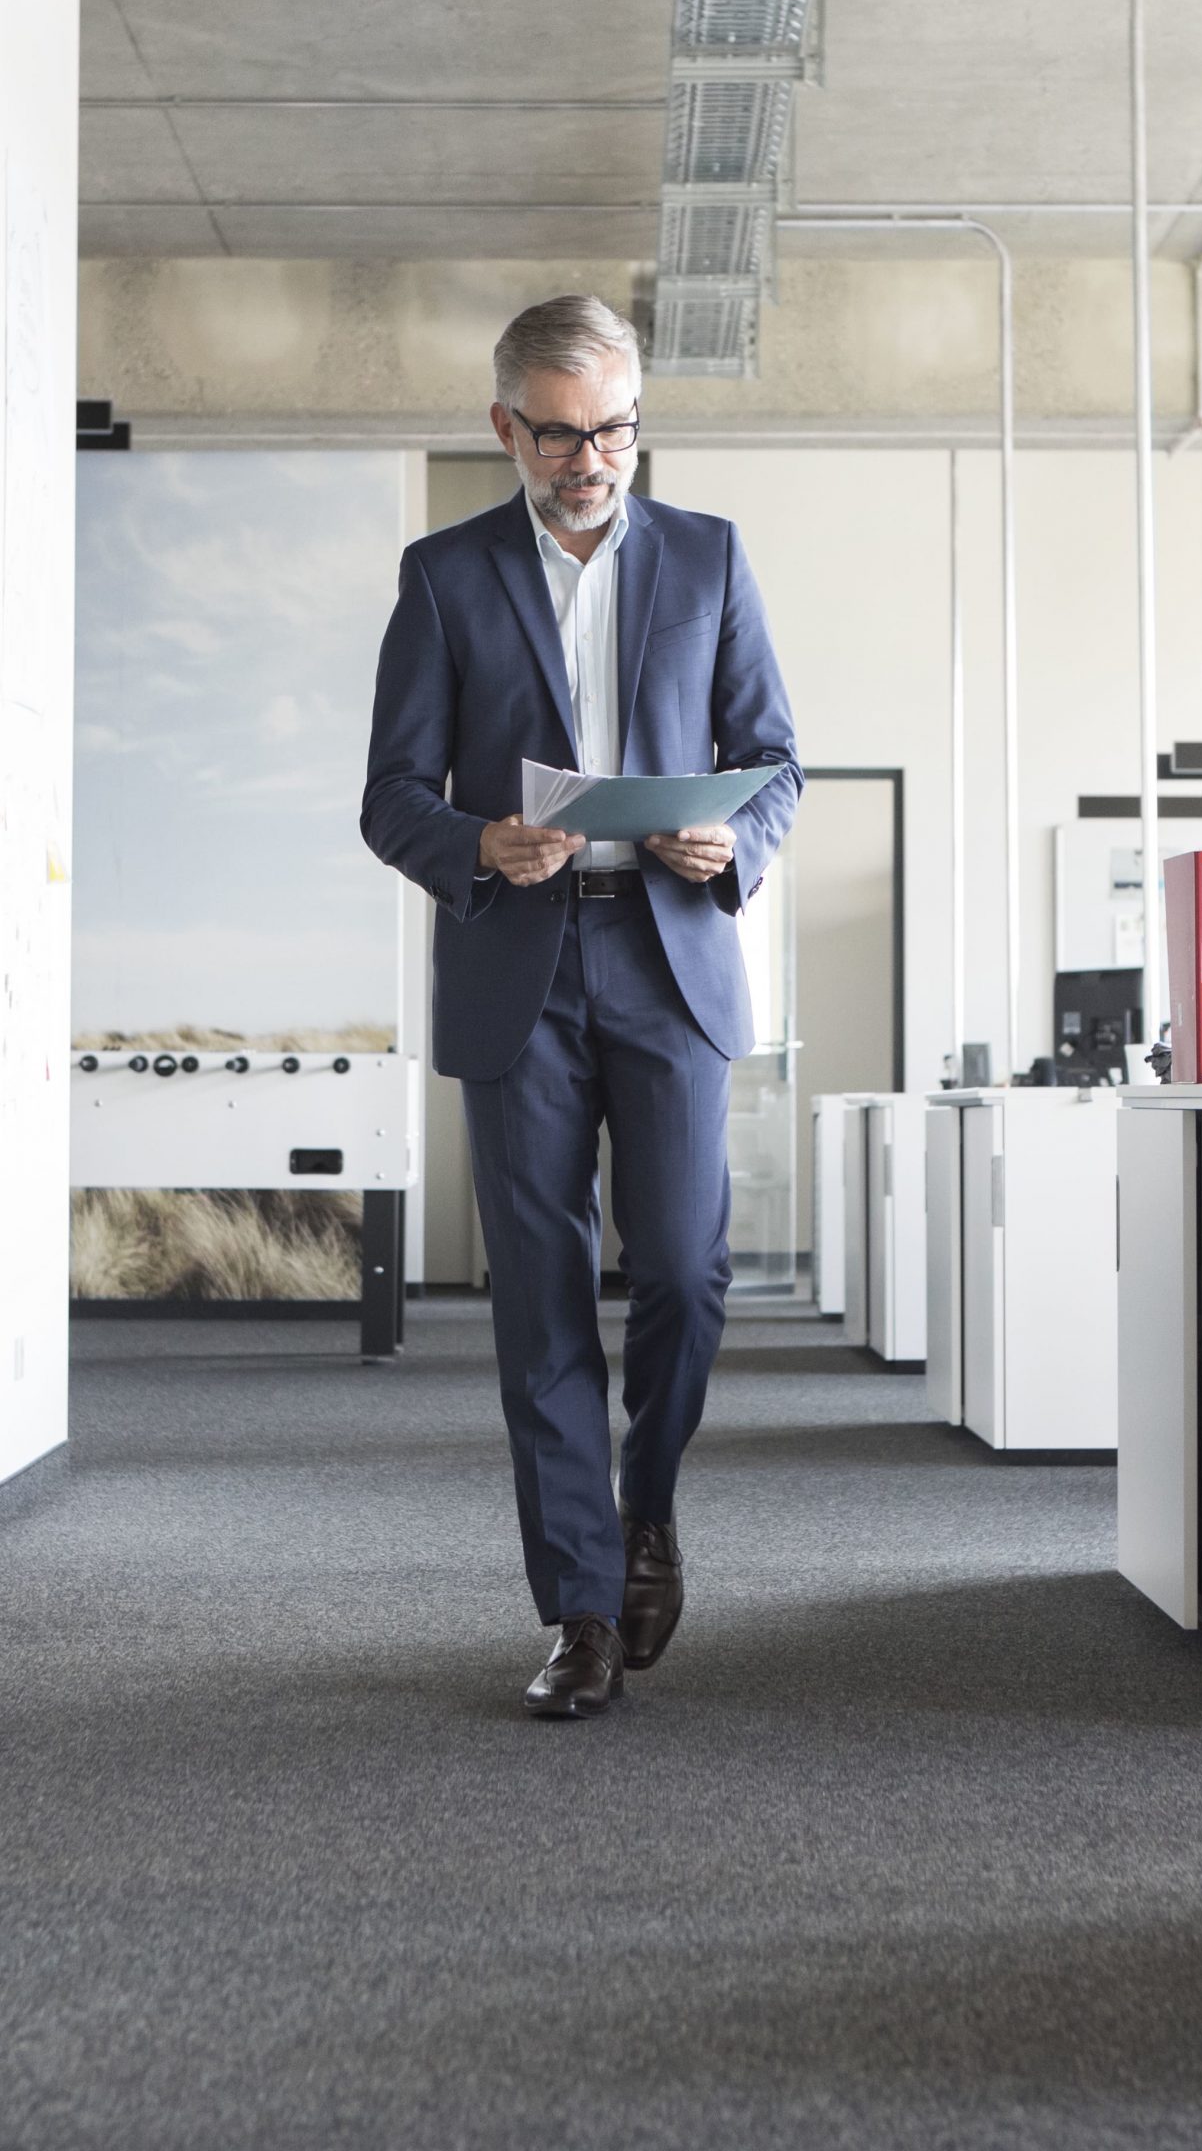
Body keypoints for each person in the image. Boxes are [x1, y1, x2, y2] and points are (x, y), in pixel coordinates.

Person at [361, 293, 800, 1719]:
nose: (589, 457)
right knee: (539, 1302)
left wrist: (733, 841)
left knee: (681, 1269)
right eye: (559, 433)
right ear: (507, 429)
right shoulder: (444, 576)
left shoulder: (711, 559)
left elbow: (776, 760)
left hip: (668, 955)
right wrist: (477, 843)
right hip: (520, 966)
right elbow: (389, 798)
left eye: (612, 427)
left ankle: (647, 1502)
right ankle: (581, 1606)